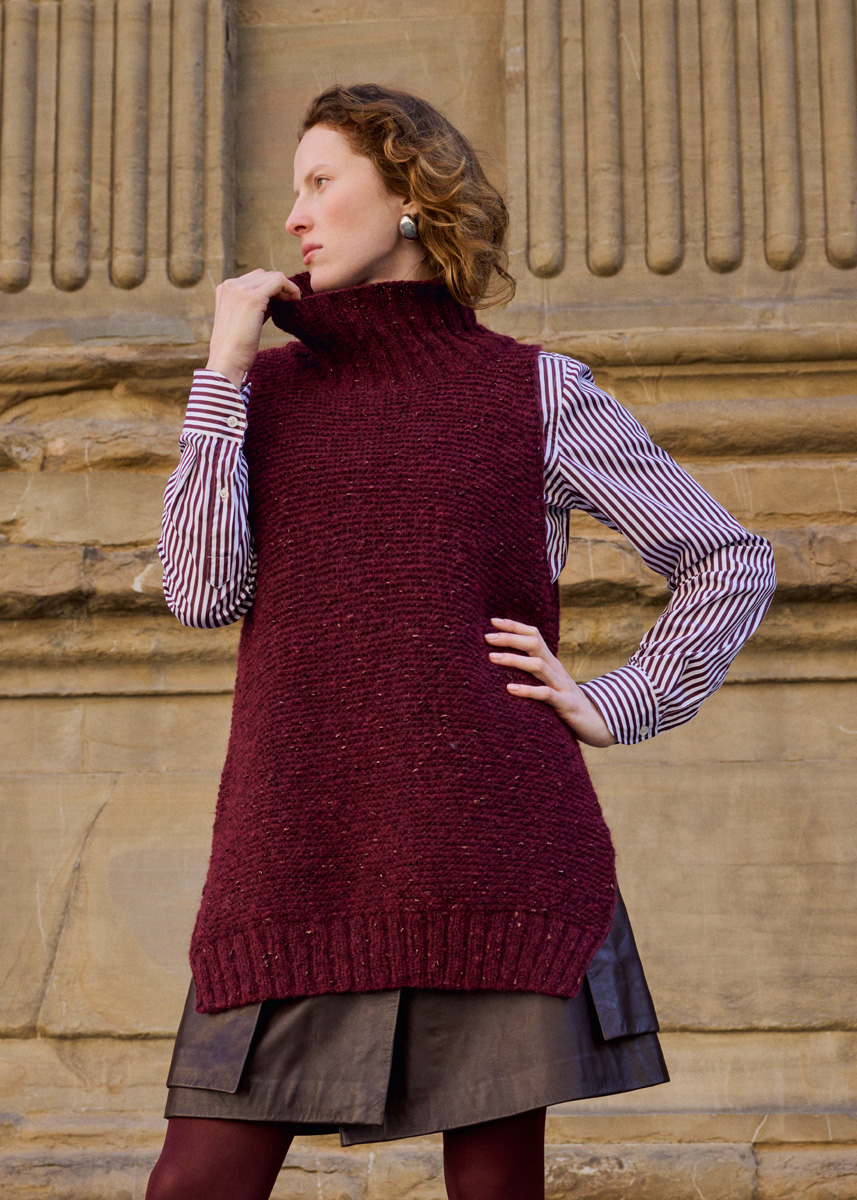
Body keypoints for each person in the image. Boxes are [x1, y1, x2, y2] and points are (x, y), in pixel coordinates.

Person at [146, 83, 776, 1200]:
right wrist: (223, 375)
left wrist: (617, 699)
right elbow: (199, 592)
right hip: (295, 845)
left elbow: (727, 559)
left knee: (492, 1191)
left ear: (404, 194)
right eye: (294, 189)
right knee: (197, 1182)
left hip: (492, 845)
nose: (293, 215)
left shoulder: (532, 391)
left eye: (319, 181)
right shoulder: (262, 391)